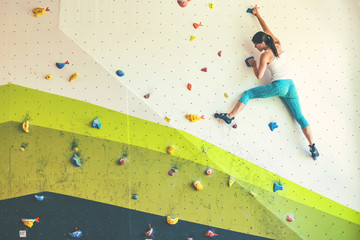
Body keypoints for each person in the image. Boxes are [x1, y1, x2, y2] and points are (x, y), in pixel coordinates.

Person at [214, 7, 319, 160]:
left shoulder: (265, 56)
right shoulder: (277, 44)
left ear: (262, 43)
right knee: (299, 116)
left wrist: (253, 64)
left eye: (256, 44)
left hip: (279, 85)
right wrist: (258, 15)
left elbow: (259, 76)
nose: (256, 47)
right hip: (290, 85)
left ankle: (230, 116)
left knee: (248, 94)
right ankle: (313, 146)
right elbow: (266, 30)